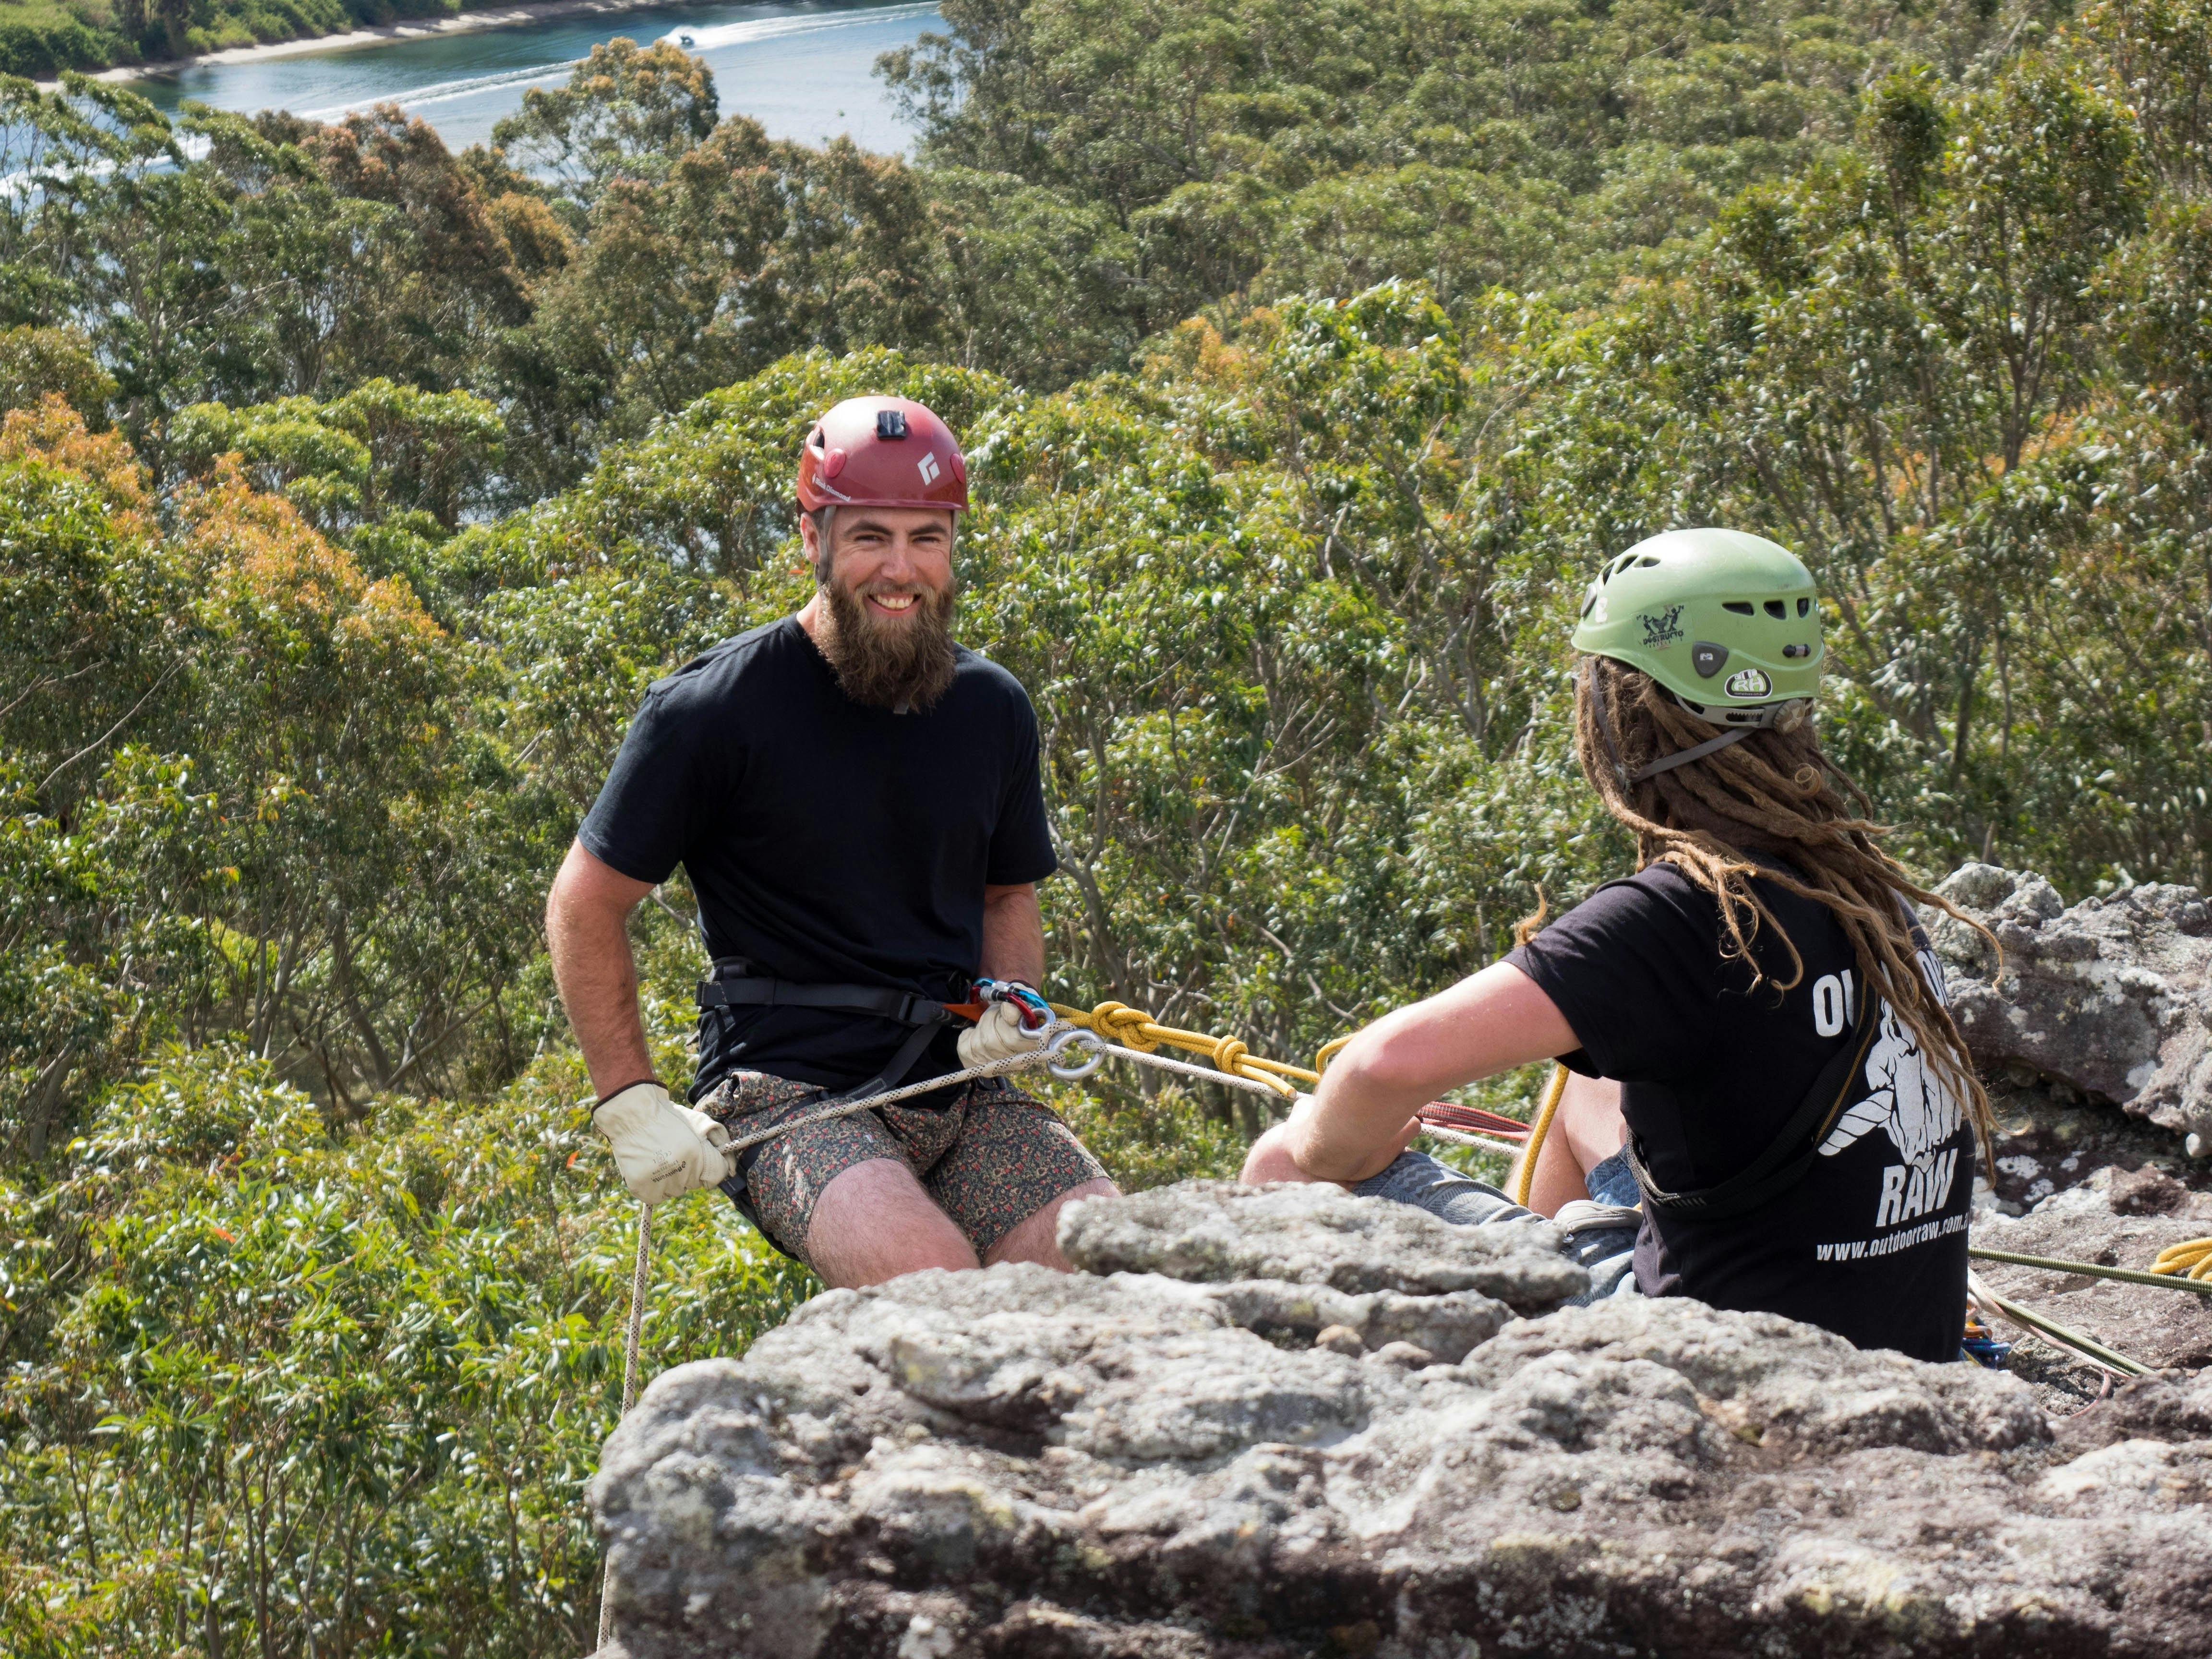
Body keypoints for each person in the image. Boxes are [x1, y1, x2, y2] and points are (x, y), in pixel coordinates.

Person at [1242, 528, 1996, 1362]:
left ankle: (1521, 1375)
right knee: (1590, 1088)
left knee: (1284, 1164)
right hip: (1901, 1344)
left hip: (1715, 1360)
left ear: (1623, 707)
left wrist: (1333, 1145)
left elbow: (1382, 1068)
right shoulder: (1857, 887)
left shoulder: (1682, 916)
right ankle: (1539, 1323)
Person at [545, 395, 1118, 1288]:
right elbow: (586, 901)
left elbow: (1007, 893)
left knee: (1098, 1257)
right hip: (785, 1091)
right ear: (812, 538)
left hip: (957, 1085)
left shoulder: (990, 710)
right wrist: (629, 1103)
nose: (901, 568)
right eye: (869, 538)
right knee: (928, 1280)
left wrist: (1012, 1003)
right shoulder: (712, 712)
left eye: (927, 537)